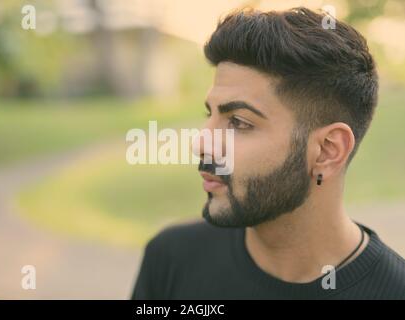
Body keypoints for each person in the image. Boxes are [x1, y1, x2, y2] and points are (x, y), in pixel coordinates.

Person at [131, 7, 405, 299]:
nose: (201, 144)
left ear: (327, 151)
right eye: (209, 114)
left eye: (238, 122)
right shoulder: (172, 260)